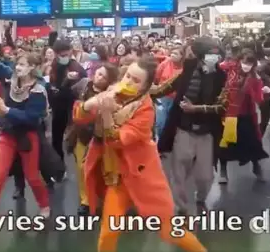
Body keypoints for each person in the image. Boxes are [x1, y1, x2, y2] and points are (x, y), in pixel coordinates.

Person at [74, 56, 207, 252]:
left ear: (145, 87)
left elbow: (117, 140)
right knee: (108, 232)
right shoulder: (112, 93)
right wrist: (89, 105)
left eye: (135, 80)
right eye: (127, 76)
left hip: (143, 179)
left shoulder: (146, 109)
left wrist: (108, 114)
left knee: (167, 230)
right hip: (115, 179)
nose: (128, 82)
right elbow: (79, 117)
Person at [0, 53, 51, 235]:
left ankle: (44, 206)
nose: (18, 67)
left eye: (23, 64)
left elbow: (31, 119)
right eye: (18, 63)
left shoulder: (38, 91)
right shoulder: (11, 78)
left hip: (27, 136)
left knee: (32, 176)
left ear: (32, 67)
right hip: (8, 135)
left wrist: (6, 110)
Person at [152, 37, 226, 214]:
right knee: (178, 172)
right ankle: (181, 207)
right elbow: (164, 88)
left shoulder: (222, 77)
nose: (213, 58)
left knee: (205, 176)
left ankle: (201, 199)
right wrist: (141, 89)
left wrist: (196, 108)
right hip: (184, 130)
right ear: (201, 55)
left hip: (207, 132)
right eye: (210, 54)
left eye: (217, 55)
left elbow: (223, 105)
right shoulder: (187, 71)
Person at [66, 63, 118, 215]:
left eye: (103, 76)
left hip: (100, 136)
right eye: (98, 73)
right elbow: (68, 94)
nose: (98, 76)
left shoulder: (110, 95)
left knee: (101, 169)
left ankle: (102, 198)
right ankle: (85, 200)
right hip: (82, 133)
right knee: (82, 169)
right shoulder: (83, 85)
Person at [217, 49, 270, 183]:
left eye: (250, 63)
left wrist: (262, 91)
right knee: (225, 143)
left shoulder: (255, 78)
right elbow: (218, 70)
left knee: (252, 142)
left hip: (246, 114)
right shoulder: (229, 70)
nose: (247, 66)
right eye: (245, 62)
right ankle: (223, 171)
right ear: (239, 61)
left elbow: (259, 99)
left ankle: (256, 167)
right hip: (229, 113)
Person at [49, 40, 87, 160]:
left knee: (74, 138)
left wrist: (69, 80)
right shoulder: (54, 66)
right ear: (56, 54)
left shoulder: (75, 66)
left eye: (68, 55)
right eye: (63, 55)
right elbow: (53, 84)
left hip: (72, 106)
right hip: (57, 106)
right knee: (56, 138)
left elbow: (83, 81)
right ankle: (59, 167)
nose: (66, 57)